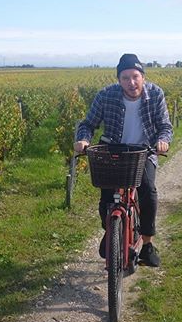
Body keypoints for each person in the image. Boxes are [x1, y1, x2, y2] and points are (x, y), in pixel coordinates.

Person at [74, 53, 173, 267]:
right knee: (107, 195)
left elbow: (165, 126)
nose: (131, 82)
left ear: (143, 77)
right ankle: (111, 231)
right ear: (119, 80)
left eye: (135, 76)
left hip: (143, 151)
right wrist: (83, 139)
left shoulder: (155, 94)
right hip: (113, 150)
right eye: (126, 78)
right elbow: (87, 124)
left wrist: (163, 141)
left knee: (147, 190)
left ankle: (147, 244)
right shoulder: (106, 95)